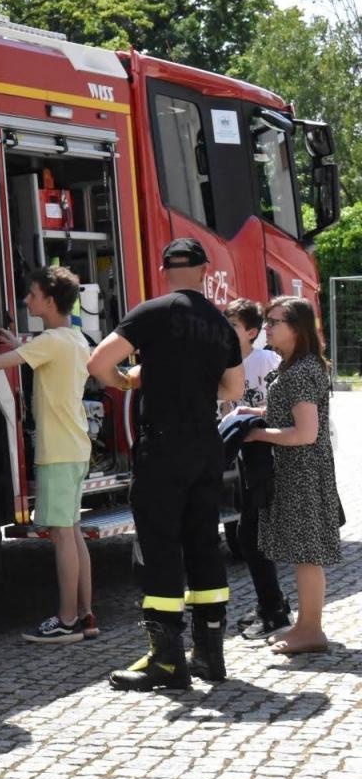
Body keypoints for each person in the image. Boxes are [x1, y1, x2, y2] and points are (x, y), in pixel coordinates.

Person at [88, 238, 243, 690]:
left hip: (164, 448)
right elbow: (232, 390)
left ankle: (168, 659)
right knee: (202, 544)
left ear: (163, 269)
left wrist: (127, 381)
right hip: (205, 445)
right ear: (203, 269)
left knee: (160, 548)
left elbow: (99, 362)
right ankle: (210, 655)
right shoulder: (220, 324)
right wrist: (194, 388)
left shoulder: (152, 312)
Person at [0, 266, 97, 644]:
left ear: (49, 300)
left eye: (31, 294)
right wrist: (16, 343)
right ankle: (85, 615)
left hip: (58, 451)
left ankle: (65, 620)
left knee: (62, 537)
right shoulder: (73, 338)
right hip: (75, 447)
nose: (27, 300)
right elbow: (38, 356)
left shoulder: (51, 341)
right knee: (73, 533)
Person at [243, 297, 342, 655]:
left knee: (306, 556)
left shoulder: (300, 372)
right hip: (296, 473)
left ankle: (311, 630)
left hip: (302, 474)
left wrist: (257, 433)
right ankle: (303, 625)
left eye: (274, 321)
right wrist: (256, 412)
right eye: (267, 320)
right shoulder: (295, 367)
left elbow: (305, 433)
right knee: (303, 555)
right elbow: (288, 413)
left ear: (296, 328)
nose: (267, 327)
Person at [221, 299, 288, 639]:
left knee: (252, 535)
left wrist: (248, 414)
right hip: (247, 458)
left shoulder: (266, 360)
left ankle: (274, 609)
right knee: (251, 535)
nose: (226, 332)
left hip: (270, 455)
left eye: (232, 326)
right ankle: (272, 604)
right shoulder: (227, 364)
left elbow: (285, 407)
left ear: (250, 332)